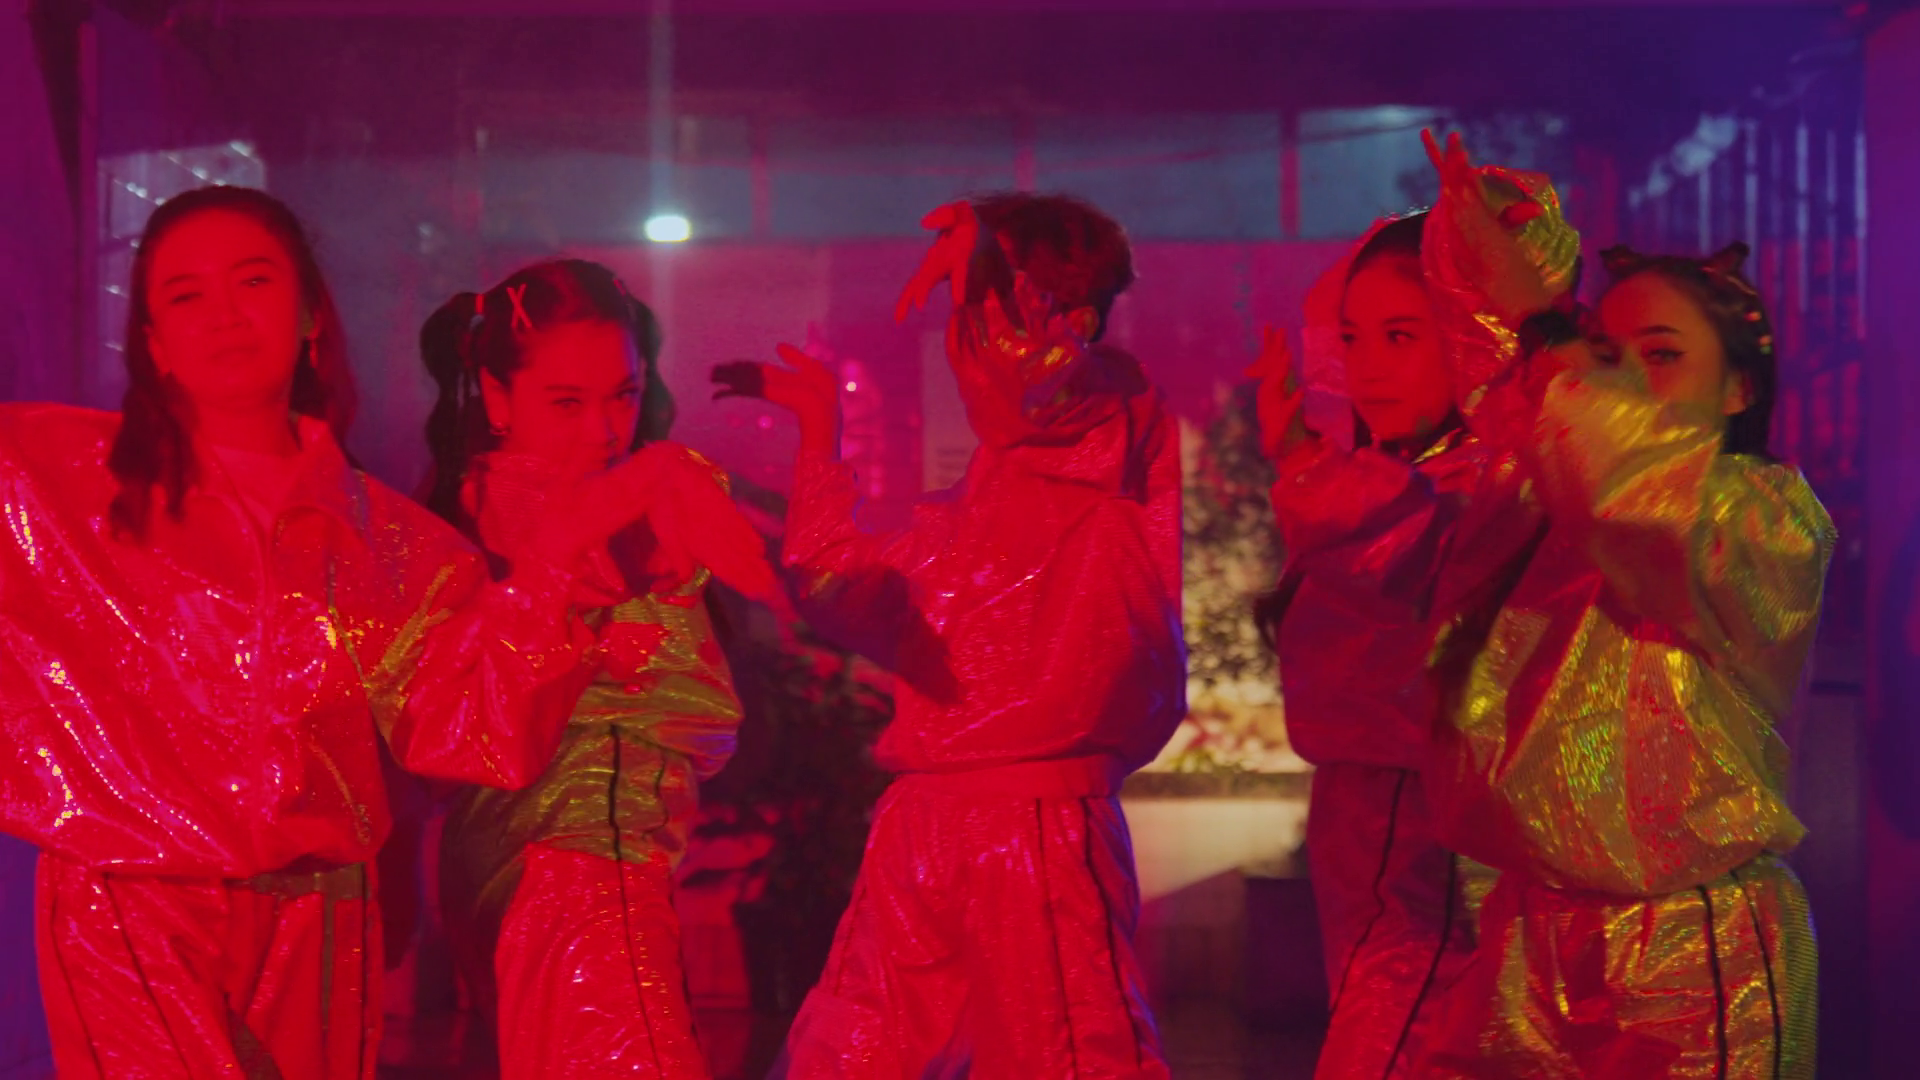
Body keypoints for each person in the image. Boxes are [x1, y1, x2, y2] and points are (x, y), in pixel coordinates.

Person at [0, 187, 768, 1080]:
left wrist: (561, 557)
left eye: (253, 281)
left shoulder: (394, 544)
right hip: (132, 903)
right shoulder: (52, 481)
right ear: (154, 342)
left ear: (310, 315)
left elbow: (470, 733)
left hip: (319, 915)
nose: (225, 315)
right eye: (185, 294)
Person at [1286, 133, 1831, 1079]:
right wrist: (1488, 244)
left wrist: (1542, 320)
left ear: (1740, 386)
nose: (1623, 379)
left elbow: (1635, 485)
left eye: (1663, 355)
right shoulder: (1548, 499)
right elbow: (1514, 392)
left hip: (1688, 949)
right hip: (1531, 932)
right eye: (1609, 355)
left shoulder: (1762, 521)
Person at [713, 193, 1186, 1078]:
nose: (974, 332)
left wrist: (983, 275)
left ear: (1074, 320)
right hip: (926, 822)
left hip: (1034, 824)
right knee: (853, 1053)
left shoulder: (1116, 420)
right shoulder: (980, 503)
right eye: (979, 303)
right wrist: (820, 431)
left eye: (1004, 298)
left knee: (1068, 1058)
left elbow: (1034, 392)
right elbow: (838, 591)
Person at [1247, 174, 1574, 1077]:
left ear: (1475, 336)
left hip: (1433, 835)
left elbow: (1398, 559)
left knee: (1400, 1037)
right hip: (1372, 827)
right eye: (1352, 338)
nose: (1367, 366)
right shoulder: (1417, 473)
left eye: (1401, 336)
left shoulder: (1489, 484)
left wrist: (1303, 463)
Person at [421, 259, 748, 1079]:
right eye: (567, 402)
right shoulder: (538, 517)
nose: (604, 430)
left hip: (536, 864)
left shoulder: (489, 509)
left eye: (623, 396)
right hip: (580, 870)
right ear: (497, 399)